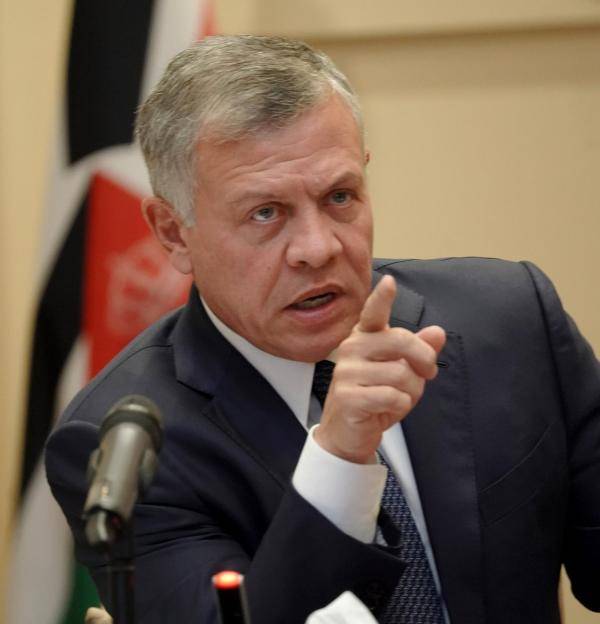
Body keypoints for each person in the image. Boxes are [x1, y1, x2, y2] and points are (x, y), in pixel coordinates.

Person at [45, 35, 600, 624]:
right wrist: (339, 460)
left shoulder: (512, 323)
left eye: (339, 196)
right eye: (265, 213)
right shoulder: (124, 443)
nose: (317, 248)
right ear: (173, 232)